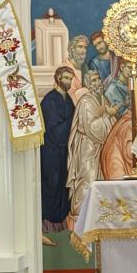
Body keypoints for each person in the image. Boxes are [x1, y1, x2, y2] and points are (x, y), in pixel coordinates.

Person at [66, 68, 115, 223]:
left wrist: (109, 115)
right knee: (87, 179)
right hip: (87, 149)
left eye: (98, 79)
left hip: (100, 148)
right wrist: (108, 115)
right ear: (87, 84)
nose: (97, 83)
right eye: (93, 80)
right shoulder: (86, 102)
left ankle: (97, 214)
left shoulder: (103, 100)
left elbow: (111, 127)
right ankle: (81, 218)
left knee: (99, 181)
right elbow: (92, 127)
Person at [41, 66, 77, 243]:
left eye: (71, 78)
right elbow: (55, 131)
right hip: (51, 153)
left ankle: (61, 225)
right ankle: (47, 227)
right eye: (65, 78)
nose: (68, 82)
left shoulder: (67, 98)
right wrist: (74, 120)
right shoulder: (50, 100)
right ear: (58, 78)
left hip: (63, 153)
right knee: (52, 186)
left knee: (63, 187)